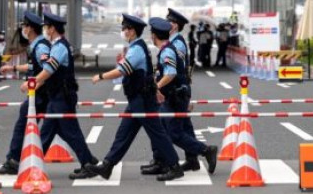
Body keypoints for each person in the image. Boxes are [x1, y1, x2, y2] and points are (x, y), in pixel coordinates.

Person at [85, 14, 183, 181]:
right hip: (137, 100)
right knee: (124, 133)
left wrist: (100, 76)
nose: (123, 31)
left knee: (157, 134)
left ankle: (174, 166)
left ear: (131, 31)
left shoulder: (137, 49)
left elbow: (122, 70)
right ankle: (108, 165)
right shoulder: (136, 47)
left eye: (124, 29)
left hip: (142, 101)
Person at [34, 12, 100, 180]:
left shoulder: (60, 47)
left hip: (62, 97)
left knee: (69, 132)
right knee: (48, 133)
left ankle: (87, 164)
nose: (45, 30)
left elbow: (49, 70)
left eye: (46, 27)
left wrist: (33, 83)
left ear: (52, 29)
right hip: (57, 97)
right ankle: (33, 165)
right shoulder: (58, 46)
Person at [149, 17, 217, 174]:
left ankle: (205, 150)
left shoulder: (173, 45)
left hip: (176, 94)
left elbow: (174, 72)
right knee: (181, 128)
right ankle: (190, 159)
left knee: (173, 132)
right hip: (175, 93)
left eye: (170, 21)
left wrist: (156, 87)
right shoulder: (170, 45)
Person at [0, 12, 51, 175]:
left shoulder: (41, 47)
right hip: (41, 94)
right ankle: (87, 161)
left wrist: (33, 83)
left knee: (23, 125)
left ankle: (14, 160)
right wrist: (13, 68)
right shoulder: (37, 45)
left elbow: (48, 69)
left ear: (31, 29)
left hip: (41, 94)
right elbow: (35, 66)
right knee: (61, 128)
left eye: (25, 26)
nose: (23, 30)